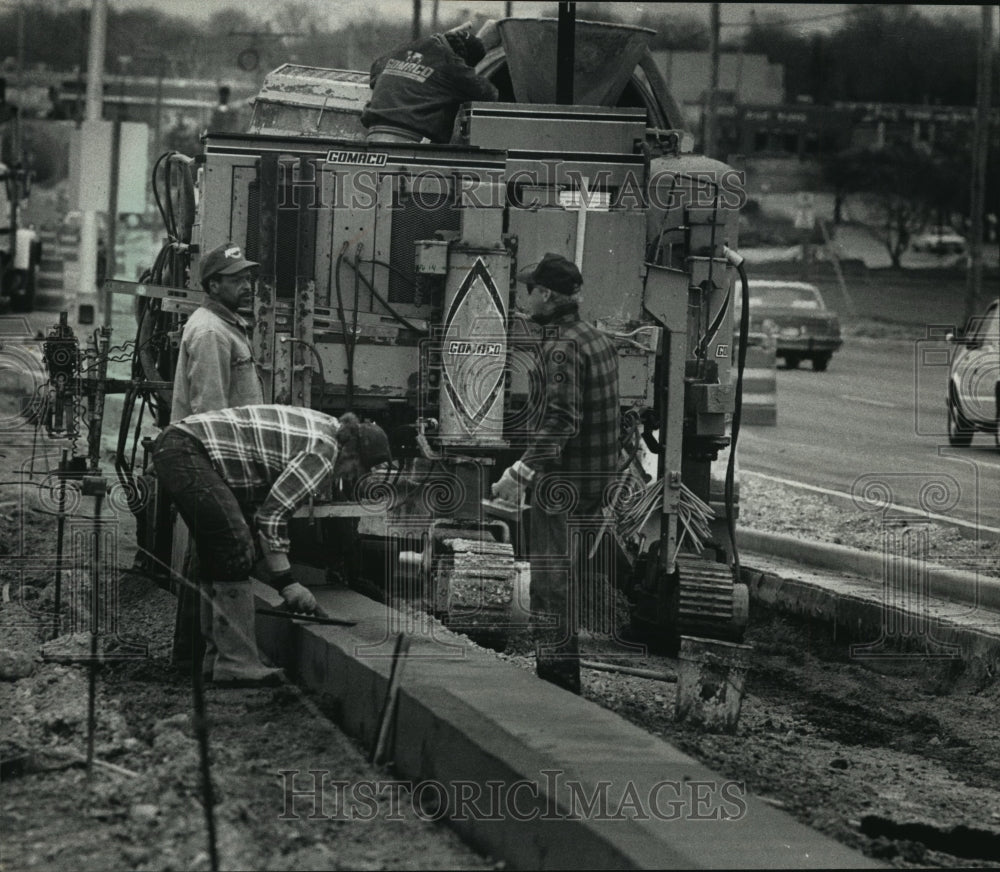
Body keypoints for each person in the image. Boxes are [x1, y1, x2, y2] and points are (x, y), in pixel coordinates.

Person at [152, 405, 392, 687]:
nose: (352, 478)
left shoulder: (326, 429)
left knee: (217, 552)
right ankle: (236, 663)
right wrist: (288, 583)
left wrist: (274, 571)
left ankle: (207, 659)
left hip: (178, 446)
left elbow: (259, 509)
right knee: (233, 547)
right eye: (357, 470)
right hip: (188, 450)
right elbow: (273, 515)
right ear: (351, 453)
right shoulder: (324, 453)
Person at [492, 253, 620, 694]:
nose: (527, 296)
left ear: (546, 294)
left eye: (531, 289)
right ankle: (563, 671)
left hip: (563, 483)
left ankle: (557, 681)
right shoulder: (596, 338)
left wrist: (520, 471)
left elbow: (563, 420)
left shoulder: (560, 347)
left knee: (549, 583)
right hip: (596, 478)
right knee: (568, 576)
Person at [168, 240, 265, 672]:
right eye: (237, 279)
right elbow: (210, 411)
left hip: (212, 460)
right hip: (211, 458)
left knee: (208, 555)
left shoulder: (226, 326)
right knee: (221, 553)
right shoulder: (210, 332)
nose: (247, 285)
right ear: (213, 284)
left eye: (248, 277)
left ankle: (199, 660)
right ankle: (208, 660)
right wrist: (226, 476)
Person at [360, 24, 498, 144]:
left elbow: (375, 71)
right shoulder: (453, 65)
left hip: (372, 137)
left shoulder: (404, 50)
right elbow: (489, 94)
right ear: (463, 59)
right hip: (408, 144)